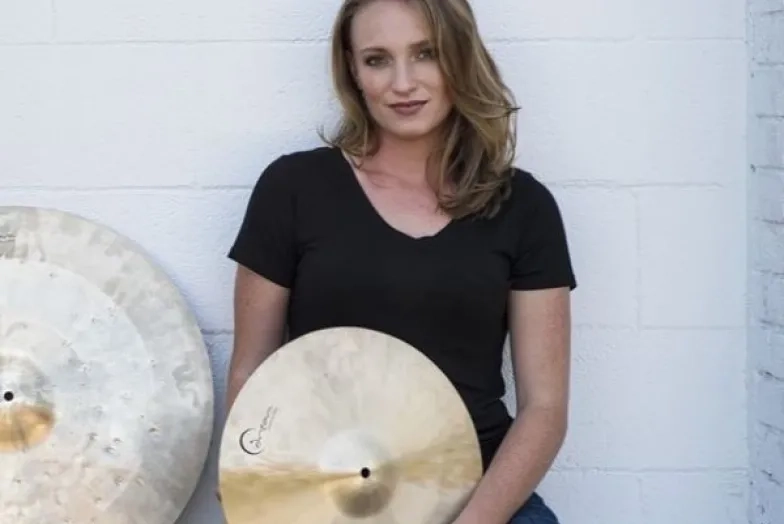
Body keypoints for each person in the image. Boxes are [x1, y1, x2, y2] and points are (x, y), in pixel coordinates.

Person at [224, 0, 577, 523]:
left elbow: (544, 409)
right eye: (377, 59)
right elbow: (251, 371)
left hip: (480, 495)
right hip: (325, 496)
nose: (403, 83)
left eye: (425, 54)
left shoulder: (525, 208)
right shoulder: (293, 189)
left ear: (458, 56)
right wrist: (252, 484)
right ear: (352, 70)